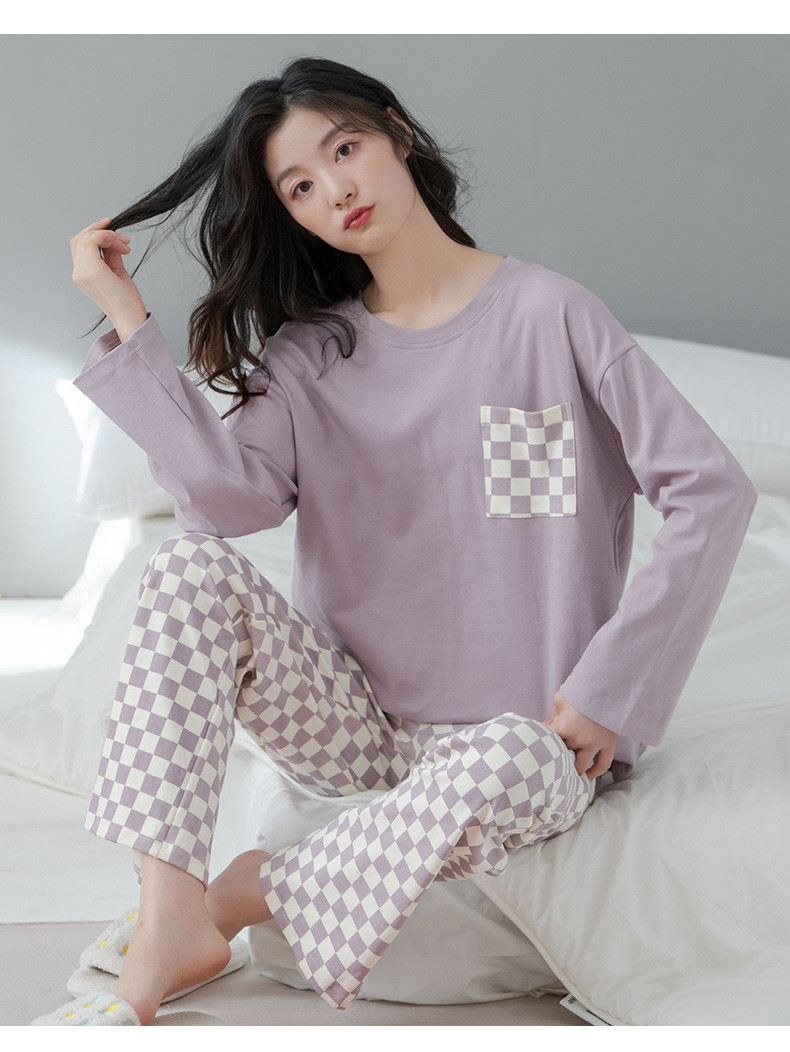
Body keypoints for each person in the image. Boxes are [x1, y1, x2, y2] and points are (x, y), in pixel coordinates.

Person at [38, 57, 755, 1025]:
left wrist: (607, 689)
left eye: (344, 150)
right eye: (299, 186)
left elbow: (712, 490)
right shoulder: (309, 354)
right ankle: (170, 914)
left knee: (518, 755)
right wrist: (130, 321)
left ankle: (241, 894)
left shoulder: (550, 314)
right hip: (359, 729)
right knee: (184, 567)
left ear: (396, 134)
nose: (335, 190)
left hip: (531, 738)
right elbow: (223, 504)